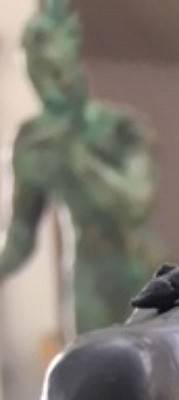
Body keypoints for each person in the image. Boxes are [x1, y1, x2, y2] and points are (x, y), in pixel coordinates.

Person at [0, 0, 164, 334]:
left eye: (59, 73)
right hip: (86, 279)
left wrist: (76, 157)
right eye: (40, 80)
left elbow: (135, 204)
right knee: (89, 358)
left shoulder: (122, 129)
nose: (53, 91)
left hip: (138, 268)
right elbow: (20, 237)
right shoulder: (33, 144)